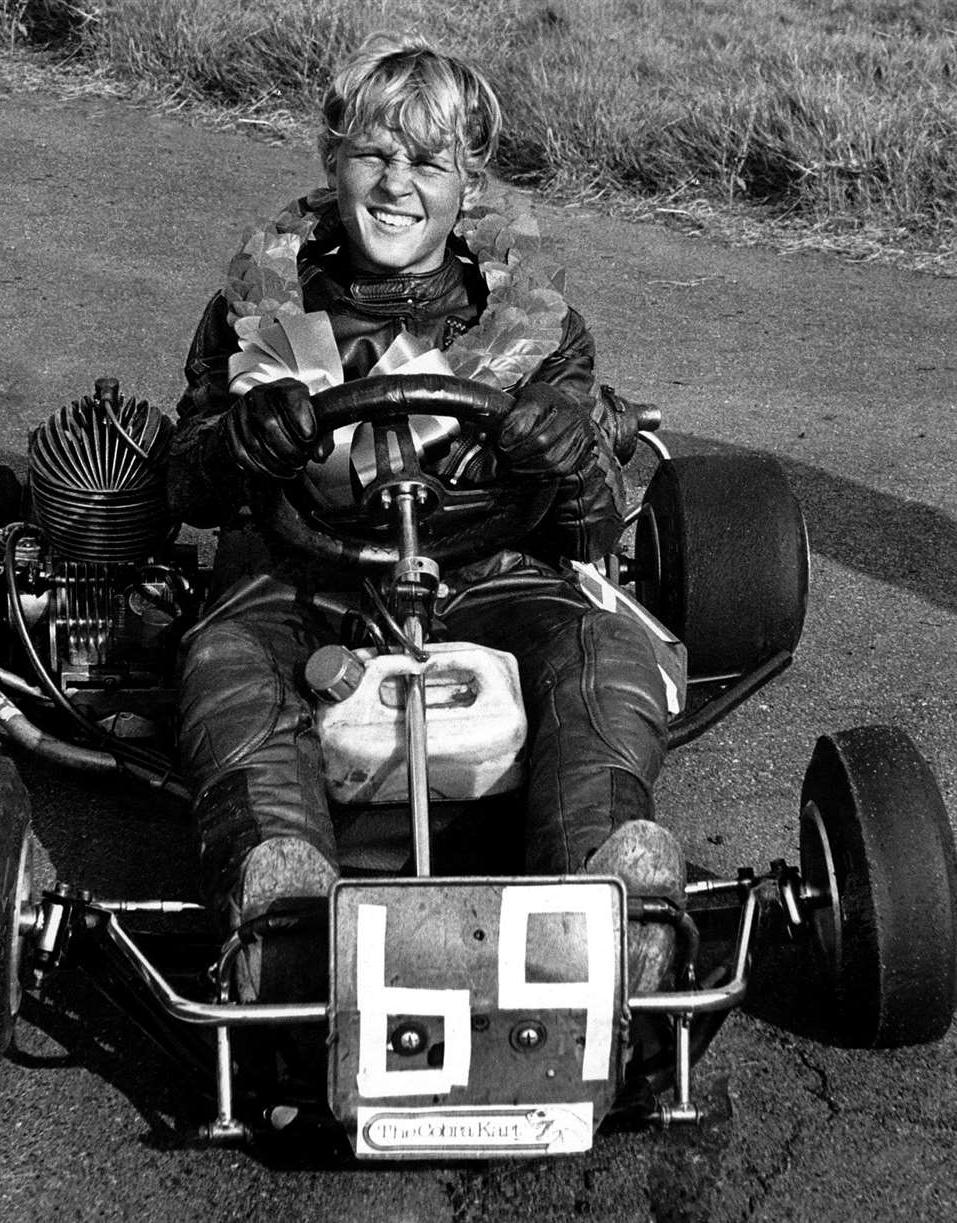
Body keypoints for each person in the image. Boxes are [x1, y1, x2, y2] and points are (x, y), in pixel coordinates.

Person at [167, 33, 684, 1005]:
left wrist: (563, 447)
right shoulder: (256, 309)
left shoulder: (535, 322)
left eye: (428, 162)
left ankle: (609, 894)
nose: (397, 183)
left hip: (493, 573)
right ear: (333, 161)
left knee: (601, 644)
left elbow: (593, 527)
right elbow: (181, 487)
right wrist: (239, 437)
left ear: (466, 182)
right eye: (375, 153)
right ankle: (284, 900)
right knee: (223, 657)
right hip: (307, 574)